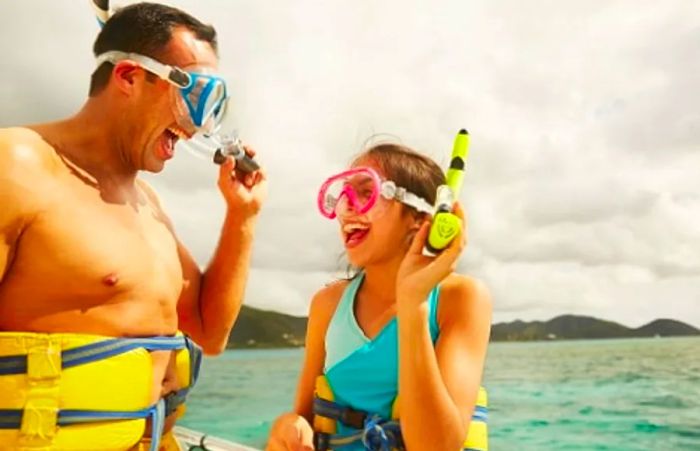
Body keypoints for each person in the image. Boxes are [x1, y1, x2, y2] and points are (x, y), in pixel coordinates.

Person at [0, 3, 266, 450]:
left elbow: (209, 330)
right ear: (128, 77)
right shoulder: (19, 166)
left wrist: (243, 215)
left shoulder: (149, 205)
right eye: (195, 95)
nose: (196, 125)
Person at [267, 142, 492, 450]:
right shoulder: (328, 304)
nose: (346, 208)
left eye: (366, 192)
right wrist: (287, 426)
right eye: (343, 195)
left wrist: (413, 303)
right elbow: (304, 416)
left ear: (420, 217)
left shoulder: (461, 299)